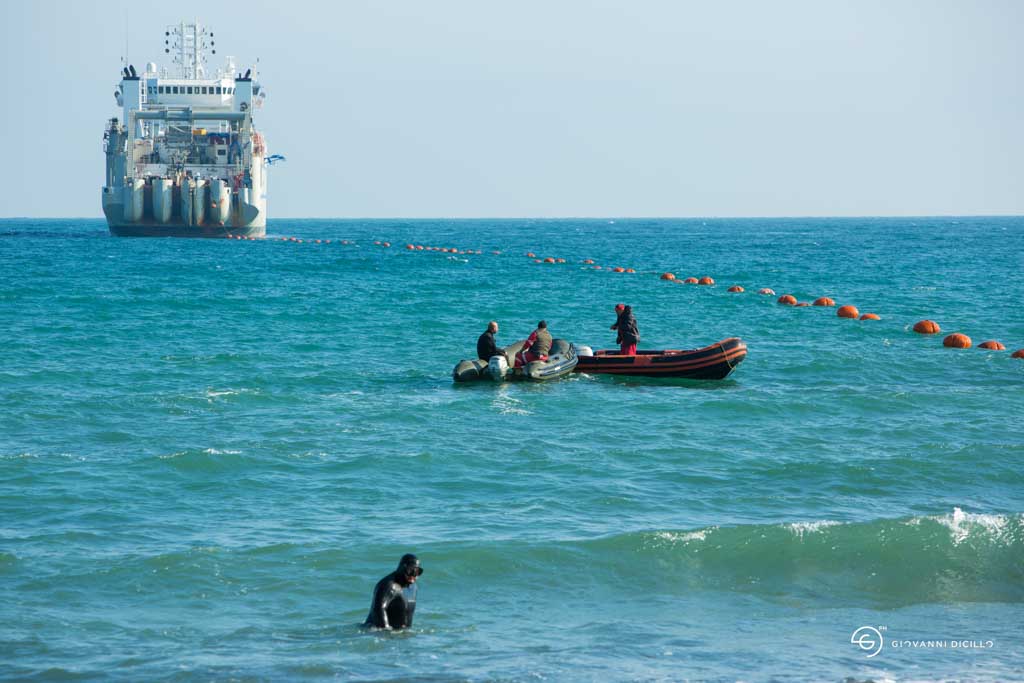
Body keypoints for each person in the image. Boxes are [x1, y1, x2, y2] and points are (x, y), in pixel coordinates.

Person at [364, 554, 423, 630]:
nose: (413, 575)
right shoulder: (388, 585)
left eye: (417, 571)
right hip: (377, 634)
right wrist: (386, 632)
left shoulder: (414, 588)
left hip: (399, 636)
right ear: (402, 567)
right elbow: (378, 609)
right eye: (410, 570)